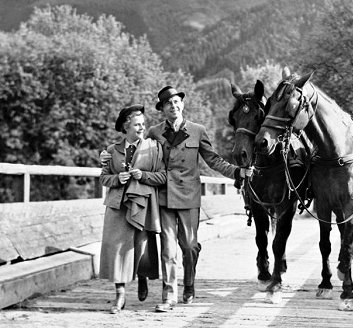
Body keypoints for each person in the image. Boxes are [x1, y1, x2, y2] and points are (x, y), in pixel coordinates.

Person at [148, 86, 252, 312]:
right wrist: (112, 155)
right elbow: (141, 157)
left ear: (182, 104)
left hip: (189, 197)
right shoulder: (154, 132)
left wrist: (237, 172)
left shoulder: (197, 130)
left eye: (176, 102)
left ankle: (189, 283)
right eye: (168, 104)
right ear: (163, 109)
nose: (173, 106)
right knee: (168, 249)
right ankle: (169, 296)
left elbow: (213, 160)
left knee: (189, 246)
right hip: (164, 196)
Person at [99, 104, 166, 314]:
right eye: (137, 125)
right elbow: (103, 178)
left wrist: (143, 176)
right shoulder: (111, 150)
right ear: (125, 127)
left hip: (142, 204)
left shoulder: (153, 148)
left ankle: (142, 276)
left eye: (143, 124)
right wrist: (117, 178)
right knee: (117, 248)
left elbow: (163, 176)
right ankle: (119, 296)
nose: (141, 128)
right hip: (117, 205)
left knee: (141, 248)